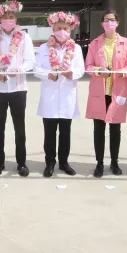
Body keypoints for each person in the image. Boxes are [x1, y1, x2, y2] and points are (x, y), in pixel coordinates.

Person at [0, 0, 35, 177]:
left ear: (16, 19)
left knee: (19, 128)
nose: (8, 20)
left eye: (11, 17)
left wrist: (18, 70)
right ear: (0, 19)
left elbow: (30, 61)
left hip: (19, 88)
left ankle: (21, 163)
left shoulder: (24, 38)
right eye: (5, 18)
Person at [85, 10, 127, 178]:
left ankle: (114, 162)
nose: (109, 23)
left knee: (115, 128)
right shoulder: (95, 44)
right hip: (100, 92)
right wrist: (99, 71)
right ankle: (99, 163)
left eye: (112, 20)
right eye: (106, 20)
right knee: (98, 129)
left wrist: (122, 72)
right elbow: (89, 66)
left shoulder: (126, 44)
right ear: (102, 23)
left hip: (117, 91)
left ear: (117, 23)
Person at [33, 11, 85, 177]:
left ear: (70, 30)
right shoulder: (44, 48)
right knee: (49, 134)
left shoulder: (75, 48)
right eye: (59, 28)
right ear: (53, 29)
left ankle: (64, 162)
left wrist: (72, 74)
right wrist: (48, 74)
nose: (62, 31)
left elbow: (81, 69)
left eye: (65, 28)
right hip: (50, 96)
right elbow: (36, 69)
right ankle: (49, 163)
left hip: (67, 96)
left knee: (65, 132)